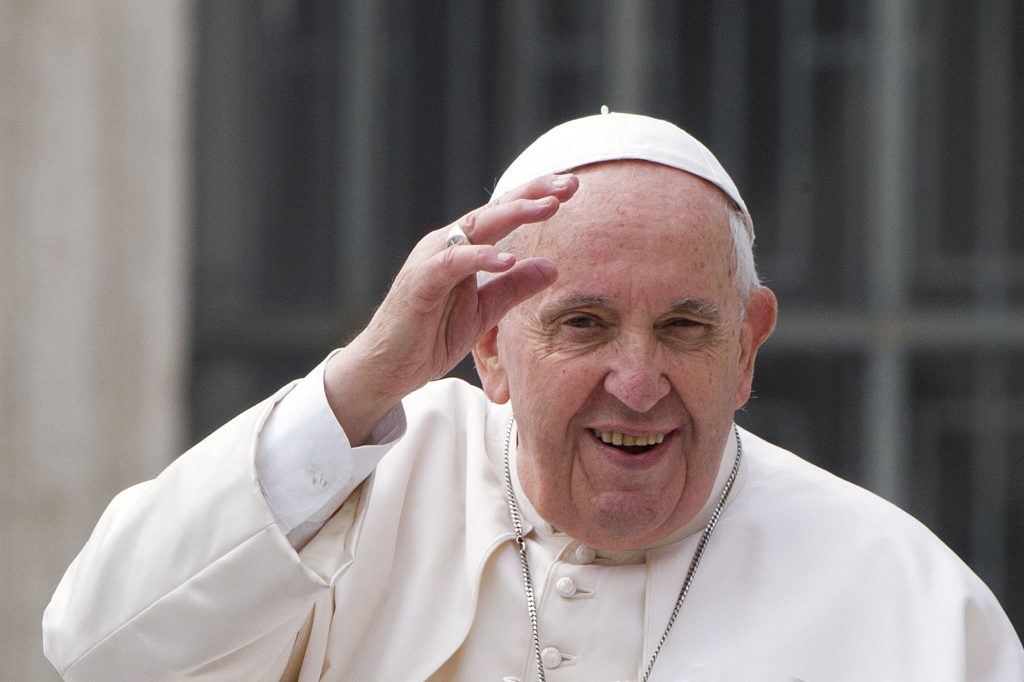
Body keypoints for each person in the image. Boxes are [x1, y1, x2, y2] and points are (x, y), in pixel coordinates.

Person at [43, 111, 1022, 681]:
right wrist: (358, 384)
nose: (637, 385)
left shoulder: (915, 608)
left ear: (747, 347)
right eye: (583, 324)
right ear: (491, 350)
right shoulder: (367, 491)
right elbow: (96, 651)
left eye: (685, 327)